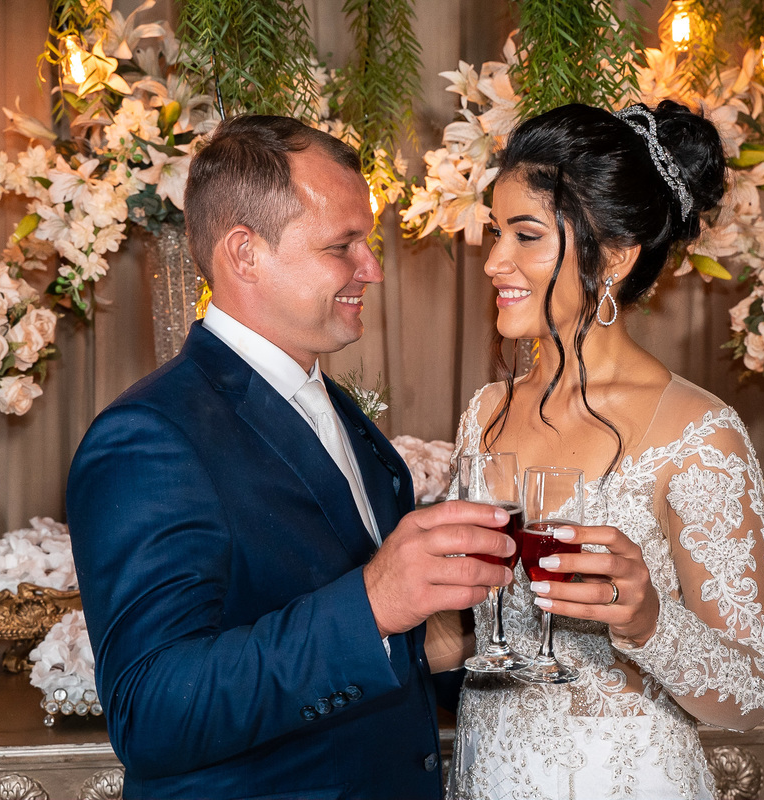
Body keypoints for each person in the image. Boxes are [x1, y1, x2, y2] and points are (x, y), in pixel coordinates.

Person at [65, 115, 515, 800]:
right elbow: (151, 712)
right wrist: (372, 606)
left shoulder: (333, 405)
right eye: (344, 246)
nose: (373, 269)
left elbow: (388, 650)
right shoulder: (151, 435)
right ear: (244, 253)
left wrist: (457, 638)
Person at [447, 101, 764, 800]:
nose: (493, 261)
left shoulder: (699, 433)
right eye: (494, 232)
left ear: (616, 255)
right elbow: (473, 634)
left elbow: (754, 691)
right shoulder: (485, 411)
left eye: (526, 235)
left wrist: (648, 620)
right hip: (488, 773)